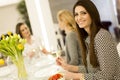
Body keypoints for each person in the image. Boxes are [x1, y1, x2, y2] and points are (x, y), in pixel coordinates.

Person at [56, 0, 120, 80]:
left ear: (92, 14)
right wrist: (68, 67)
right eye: (76, 14)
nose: (79, 17)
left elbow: (106, 75)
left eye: (83, 13)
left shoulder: (101, 36)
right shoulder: (88, 38)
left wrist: (77, 76)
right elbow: (91, 69)